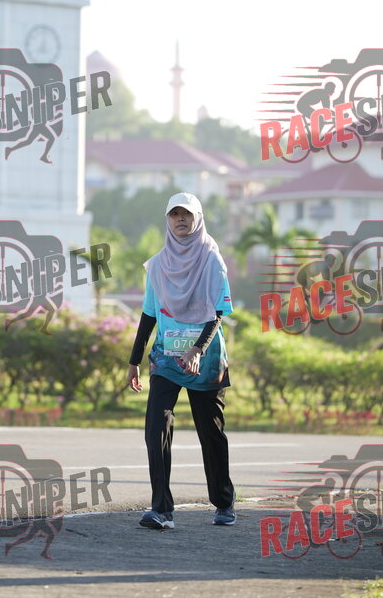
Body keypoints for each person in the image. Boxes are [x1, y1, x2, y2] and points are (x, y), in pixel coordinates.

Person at [127, 192, 235, 530]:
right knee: (156, 429)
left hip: (205, 359)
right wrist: (134, 360)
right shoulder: (158, 264)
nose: (180, 219)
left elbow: (218, 312)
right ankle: (161, 509)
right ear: (167, 220)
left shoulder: (212, 259)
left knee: (210, 432)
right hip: (167, 358)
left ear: (198, 218)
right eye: (174, 214)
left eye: (186, 214)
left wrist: (197, 350)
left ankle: (223, 501)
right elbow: (149, 314)